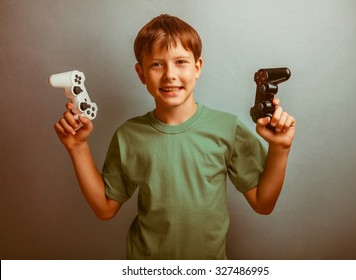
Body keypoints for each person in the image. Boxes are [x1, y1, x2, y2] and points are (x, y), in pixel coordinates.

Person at [54, 14, 296, 260]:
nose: (170, 74)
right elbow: (105, 208)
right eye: (157, 64)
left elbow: (263, 204)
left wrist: (280, 148)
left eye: (181, 61)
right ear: (141, 74)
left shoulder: (227, 128)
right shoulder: (129, 135)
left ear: (197, 67)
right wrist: (78, 147)